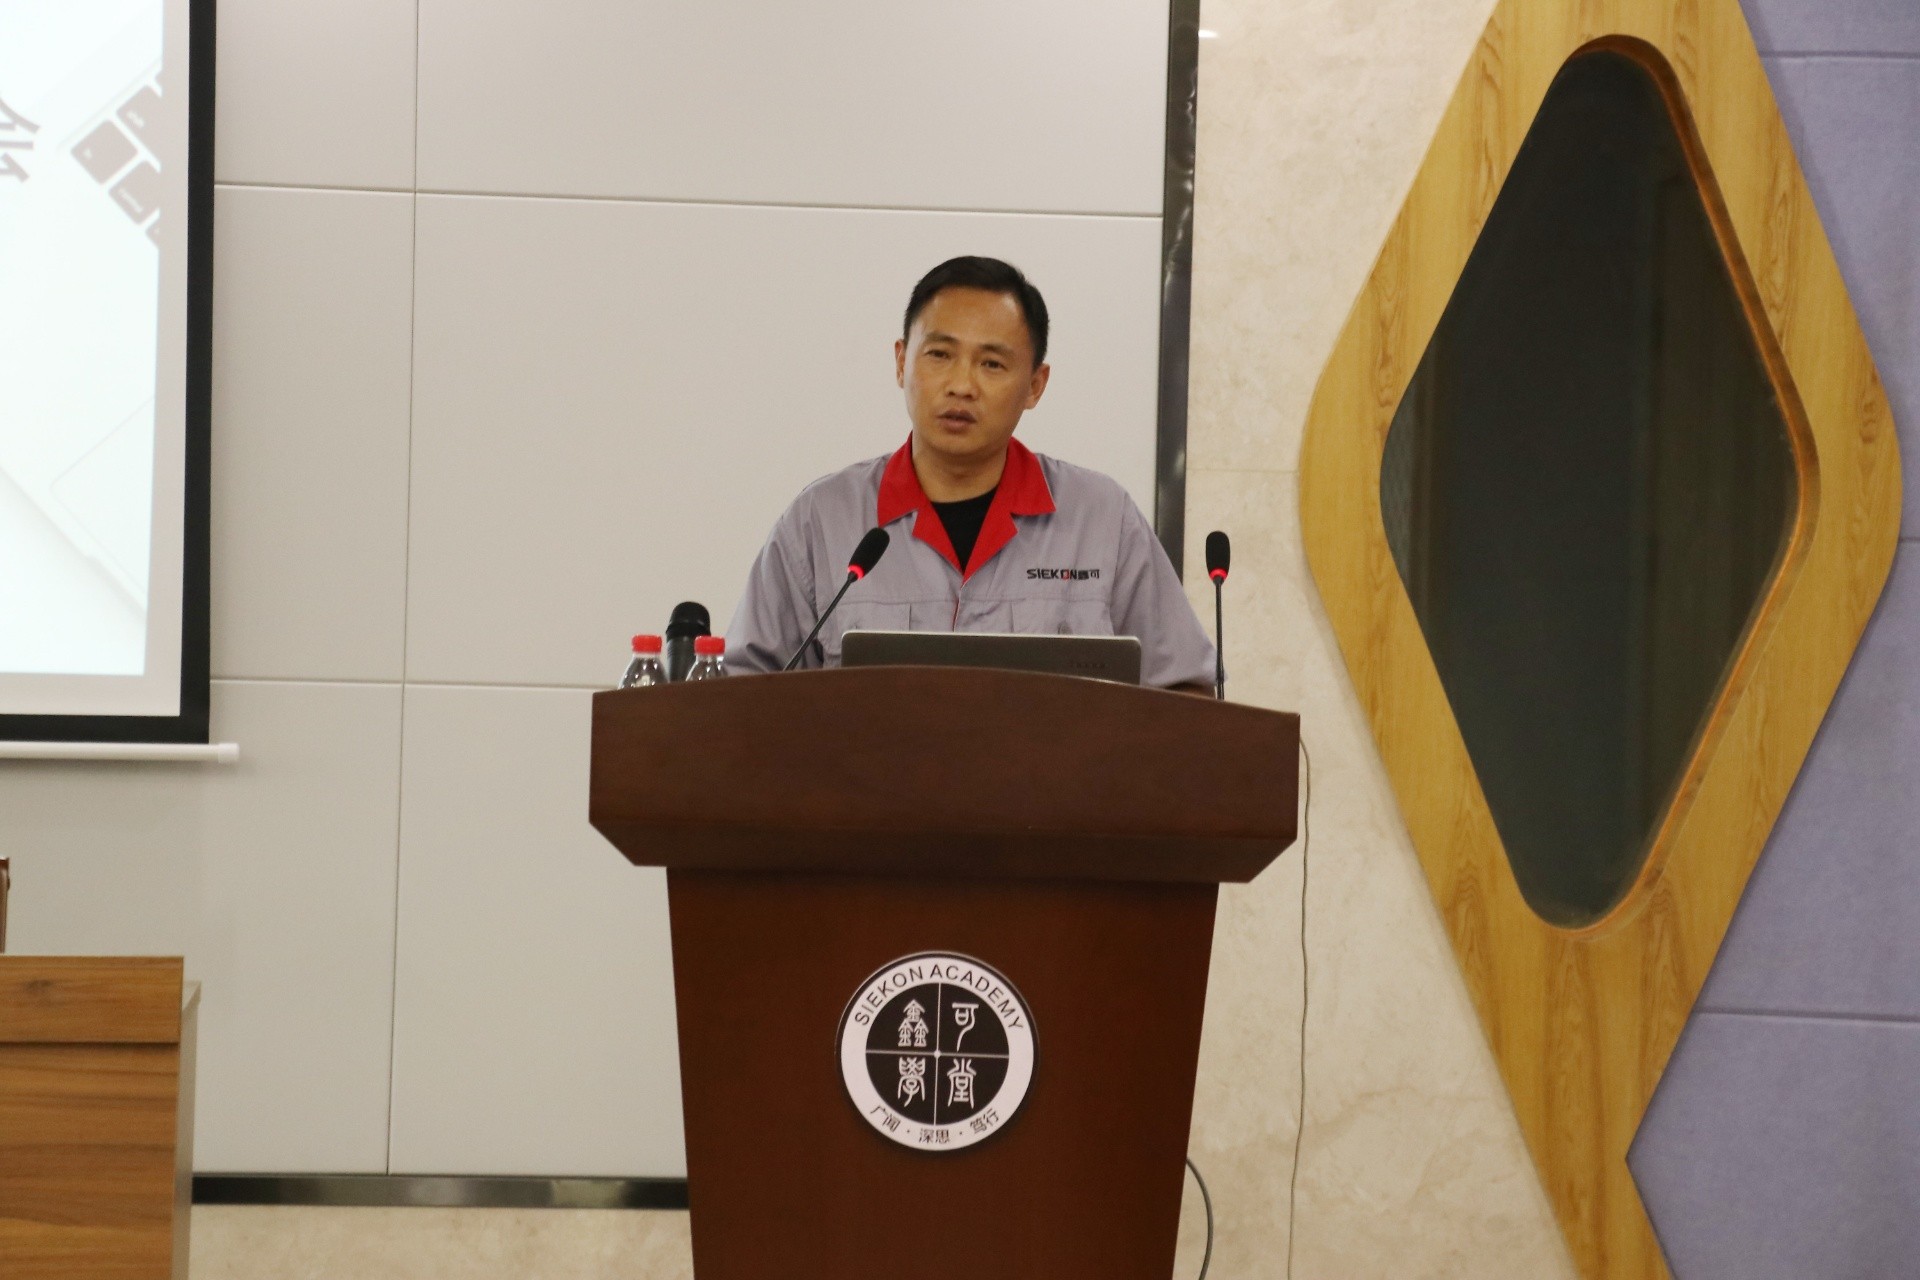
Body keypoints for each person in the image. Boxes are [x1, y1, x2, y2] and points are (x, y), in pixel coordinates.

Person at [726, 255, 1216, 690]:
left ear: (1035, 385)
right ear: (901, 362)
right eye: (939, 355)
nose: (961, 385)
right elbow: (742, 697)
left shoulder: (1102, 520)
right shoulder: (821, 521)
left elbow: (1184, 691)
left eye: (992, 364)